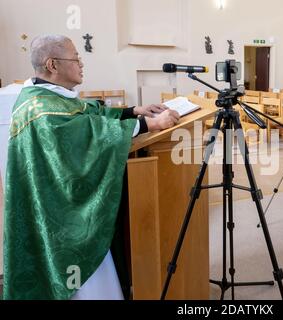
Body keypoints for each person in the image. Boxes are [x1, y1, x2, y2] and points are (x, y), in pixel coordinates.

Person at [3, 35, 180, 300]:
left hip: (55, 203)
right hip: (62, 216)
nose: (81, 64)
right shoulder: (41, 108)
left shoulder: (45, 96)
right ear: (53, 64)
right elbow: (83, 133)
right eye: (75, 58)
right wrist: (150, 125)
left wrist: (134, 111)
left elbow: (85, 112)